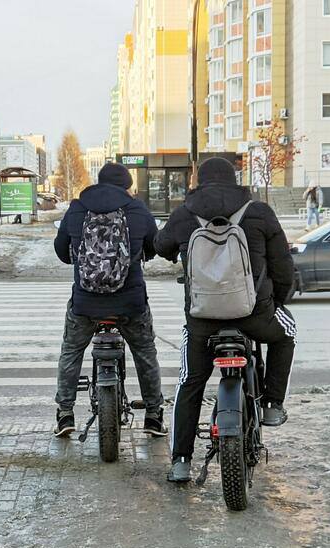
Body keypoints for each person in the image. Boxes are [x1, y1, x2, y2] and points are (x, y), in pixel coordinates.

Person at [154, 157, 296, 483]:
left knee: (190, 382)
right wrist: (275, 301)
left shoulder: (185, 214)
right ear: (234, 179)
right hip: (254, 314)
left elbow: (161, 246)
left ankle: (181, 461)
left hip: (203, 319)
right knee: (286, 332)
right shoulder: (259, 211)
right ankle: (272, 404)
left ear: (199, 181)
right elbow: (283, 266)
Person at [53, 163, 167, 438]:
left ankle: (65, 414)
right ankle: (153, 415)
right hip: (130, 304)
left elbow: (61, 249)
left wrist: (78, 257)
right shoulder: (138, 209)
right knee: (145, 352)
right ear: (127, 185)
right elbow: (155, 246)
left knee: (71, 351)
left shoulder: (78, 208)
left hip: (86, 304)